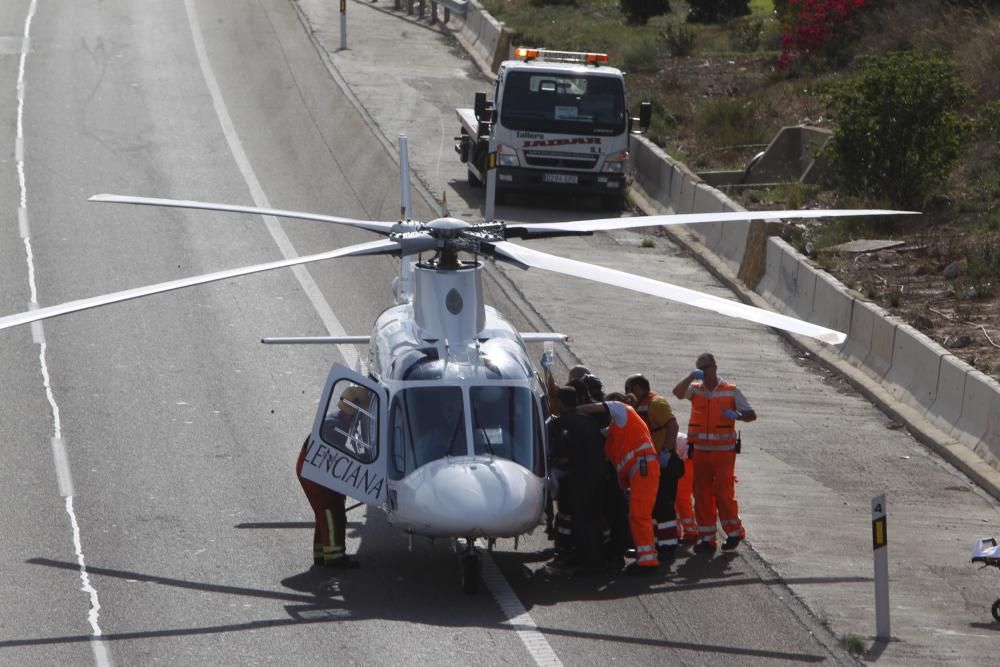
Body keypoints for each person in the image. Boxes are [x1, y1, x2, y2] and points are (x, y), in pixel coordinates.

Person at [673, 353, 756, 552]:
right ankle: (707, 538)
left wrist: (737, 415)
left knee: (722, 493)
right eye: (699, 368)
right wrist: (690, 377)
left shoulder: (731, 391)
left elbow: (751, 415)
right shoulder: (695, 390)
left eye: (706, 367)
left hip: (723, 453)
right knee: (701, 494)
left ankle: (734, 532)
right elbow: (677, 392)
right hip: (700, 452)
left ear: (715, 367)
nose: (703, 371)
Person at [578, 393, 661, 575]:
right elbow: (601, 435)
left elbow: (595, 408)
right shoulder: (614, 429)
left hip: (644, 468)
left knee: (639, 514)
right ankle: (644, 553)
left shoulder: (623, 410)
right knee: (636, 514)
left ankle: (648, 561)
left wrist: (574, 412)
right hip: (638, 472)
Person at [296, 385, 370, 569]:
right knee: (331, 512)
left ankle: (321, 554)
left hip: (315, 468)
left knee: (326, 511)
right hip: (312, 471)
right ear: (355, 409)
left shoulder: (341, 421)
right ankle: (334, 558)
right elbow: (340, 455)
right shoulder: (335, 425)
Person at [546, 387, 609, 575]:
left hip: (580, 476)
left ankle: (586, 561)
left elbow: (560, 454)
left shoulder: (561, 424)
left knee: (580, 518)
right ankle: (600, 556)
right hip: (599, 473)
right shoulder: (588, 420)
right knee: (595, 514)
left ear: (561, 402)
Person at [624, 374, 682, 561]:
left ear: (638, 388)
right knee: (653, 505)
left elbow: (672, 426)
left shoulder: (656, 404)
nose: (628, 394)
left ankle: (668, 545)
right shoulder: (641, 405)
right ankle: (655, 542)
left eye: (630, 389)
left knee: (663, 504)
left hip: (662, 462)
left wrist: (666, 451)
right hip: (651, 463)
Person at [673, 433, 698, 545]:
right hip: (687, 456)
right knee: (677, 498)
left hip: (687, 458)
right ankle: (679, 531)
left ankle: (691, 531)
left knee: (680, 498)